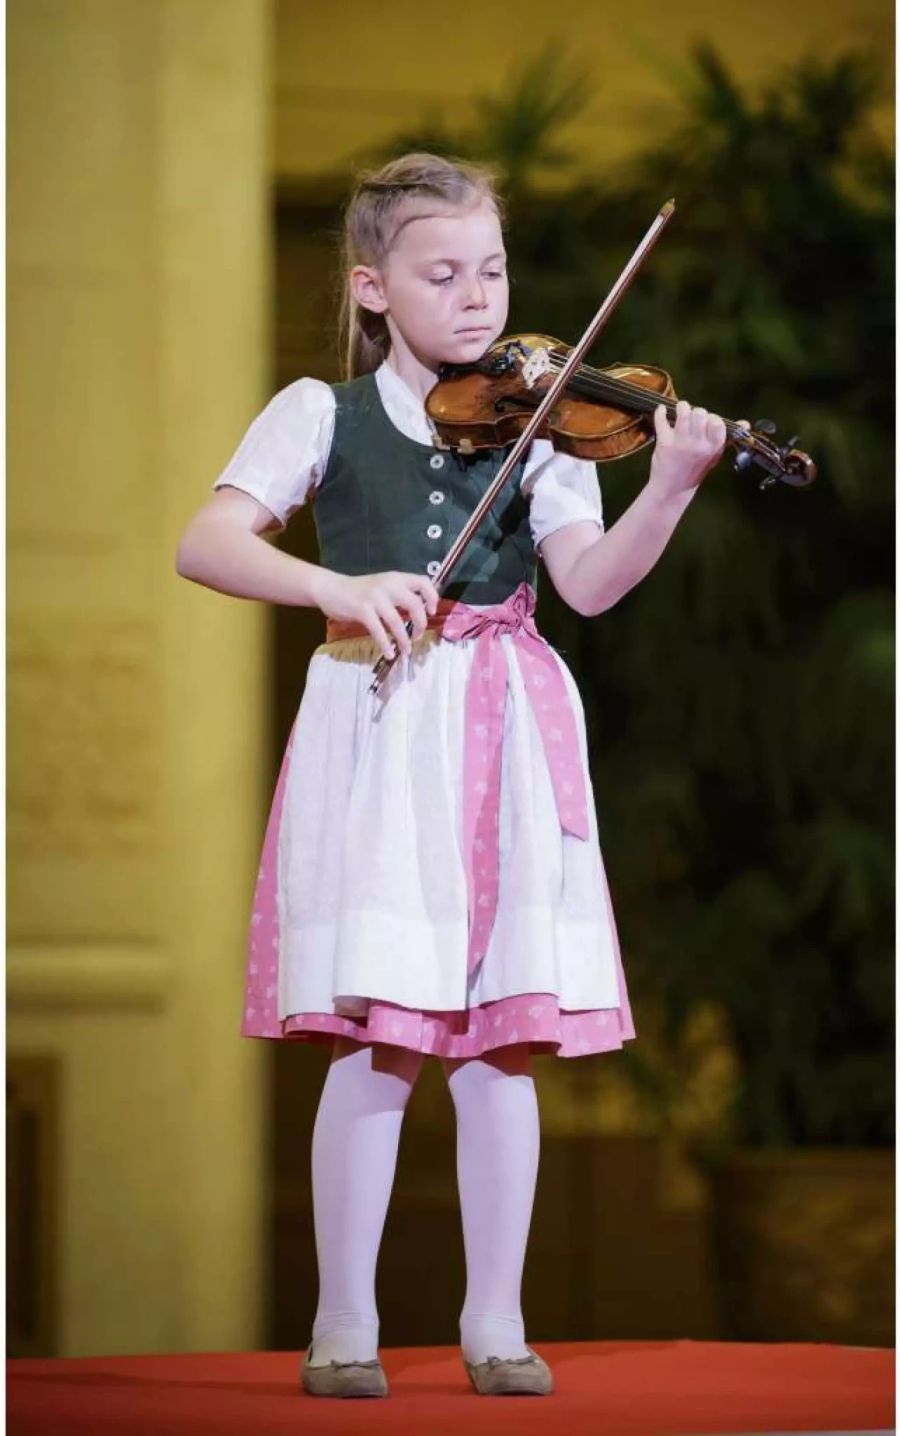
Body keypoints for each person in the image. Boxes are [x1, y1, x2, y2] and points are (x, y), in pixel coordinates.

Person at [175, 151, 735, 1399]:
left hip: (506, 720)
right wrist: (335, 584)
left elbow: (587, 582)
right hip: (380, 729)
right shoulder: (317, 412)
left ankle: (498, 1320)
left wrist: (676, 487)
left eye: (492, 267)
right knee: (377, 1037)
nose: (479, 296)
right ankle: (342, 1320)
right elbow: (203, 540)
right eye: (444, 272)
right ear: (373, 287)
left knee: (500, 1045)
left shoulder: (546, 421)